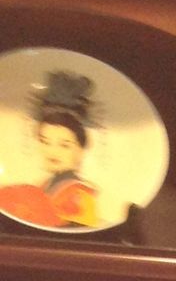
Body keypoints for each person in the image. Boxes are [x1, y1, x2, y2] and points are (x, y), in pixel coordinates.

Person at [0, 71, 101, 231]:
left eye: (64, 145)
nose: (53, 151)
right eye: (45, 142)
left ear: (81, 150)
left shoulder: (81, 194)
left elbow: (76, 234)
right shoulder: (45, 185)